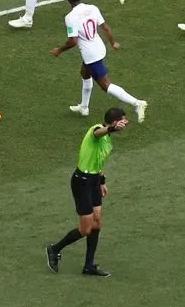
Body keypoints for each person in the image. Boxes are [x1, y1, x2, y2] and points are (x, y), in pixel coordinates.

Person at [45, 107, 129, 277]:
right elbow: (99, 132)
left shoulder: (108, 141)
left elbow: (97, 163)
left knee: (97, 223)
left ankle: (89, 266)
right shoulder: (96, 130)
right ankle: (54, 249)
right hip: (81, 182)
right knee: (86, 228)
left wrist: (102, 182)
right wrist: (112, 128)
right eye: (122, 120)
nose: (125, 123)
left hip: (93, 182)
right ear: (114, 122)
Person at [51, 0, 147, 121]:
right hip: (99, 47)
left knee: (106, 85)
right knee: (85, 73)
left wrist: (58, 50)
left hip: (91, 55)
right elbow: (106, 28)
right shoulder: (92, 8)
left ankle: (137, 103)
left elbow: (73, 41)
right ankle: (84, 107)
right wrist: (113, 42)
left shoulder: (70, 17)